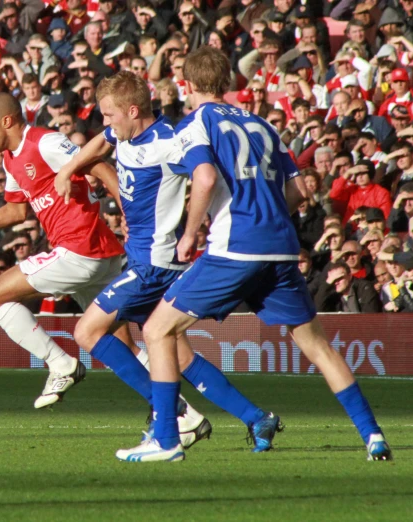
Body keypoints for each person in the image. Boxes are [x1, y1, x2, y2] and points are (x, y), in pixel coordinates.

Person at [130, 47, 391, 463]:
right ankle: (373, 436)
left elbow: (205, 175)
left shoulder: (197, 121)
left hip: (236, 247)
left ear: (188, 84)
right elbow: (296, 190)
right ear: (230, 83)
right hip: (281, 249)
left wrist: (191, 231)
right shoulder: (263, 125)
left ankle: (165, 440)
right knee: (319, 347)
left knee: (157, 330)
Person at [57, 71, 290, 450]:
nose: (106, 123)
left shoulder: (172, 142)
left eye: (110, 114)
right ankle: (257, 418)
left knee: (87, 331)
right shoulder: (123, 132)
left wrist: (197, 226)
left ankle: (170, 413)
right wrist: (69, 168)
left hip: (156, 264)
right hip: (148, 260)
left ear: (134, 110)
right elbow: (101, 142)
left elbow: (207, 175)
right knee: (177, 354)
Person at [0, 92, 125, 408]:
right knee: (118, 342)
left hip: (79, 249)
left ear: (6, 121)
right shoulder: (11, 159)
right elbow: (15, 213)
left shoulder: (45, 142)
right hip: (100, 255)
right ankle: (180, 413)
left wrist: (130, 212)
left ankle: (60, 363)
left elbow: (99, 166)